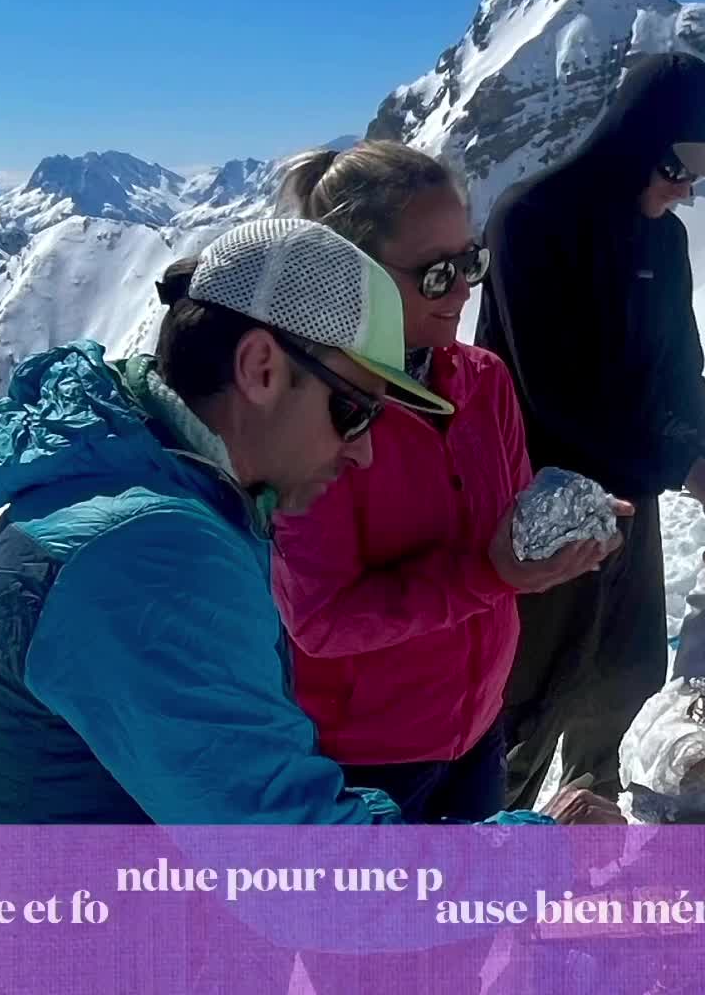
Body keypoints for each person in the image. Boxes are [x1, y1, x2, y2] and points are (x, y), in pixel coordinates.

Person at [0, 217, 614, 825]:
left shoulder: (142, 494)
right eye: (354, 411)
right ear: (261, 368)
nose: (364, 451)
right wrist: (540, 847)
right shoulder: (150, 555)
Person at [270, 141, 630, 825]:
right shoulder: (315, 410)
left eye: (470, 263)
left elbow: (506, 526)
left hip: (478, 726)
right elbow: (320, 621)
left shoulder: (482, 379)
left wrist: (562, 524)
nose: (465, 291)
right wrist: (493, 575)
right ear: (354, 275)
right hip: (364, 758)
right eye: (437, 275)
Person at [474, 51, 705, 809]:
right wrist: (687, 469)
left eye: (696, 178)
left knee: (623, 674)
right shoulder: (531, 218)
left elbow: (680, 375)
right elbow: (556, 393)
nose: (685, 189)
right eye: (677, 168)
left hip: (628, 494)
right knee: (529, 693)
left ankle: (591, 815)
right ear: (632, 139)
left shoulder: (664, 241)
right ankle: (495, 833)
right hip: (534, 499)